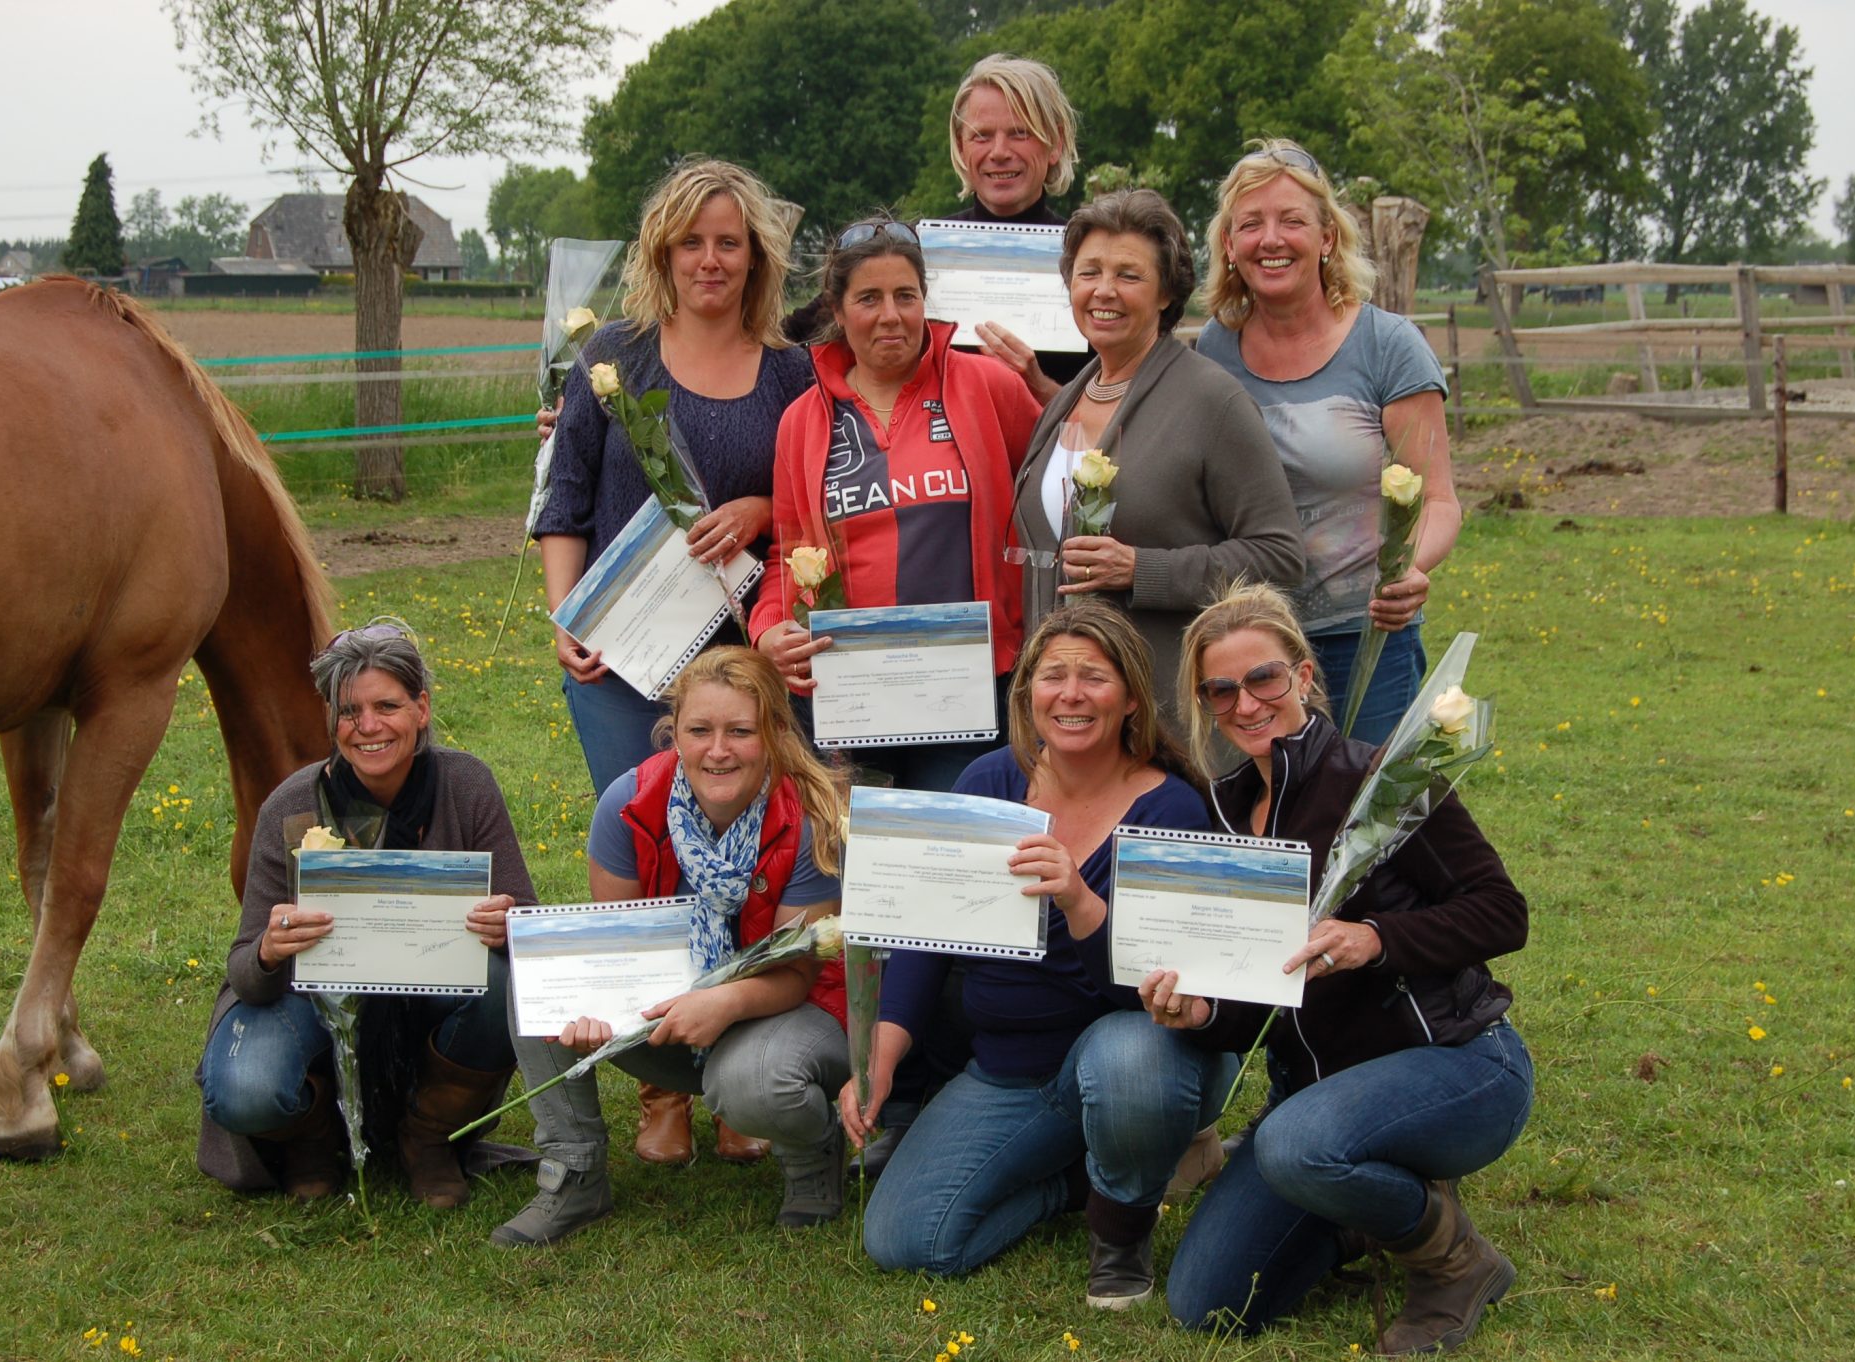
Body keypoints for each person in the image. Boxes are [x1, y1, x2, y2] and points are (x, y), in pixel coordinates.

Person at [1150, 582, 1531, 1354]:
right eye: (1220, 690)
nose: (1246, 704)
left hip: (1454, 1065)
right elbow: (1263, 990)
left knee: (1296, 1146)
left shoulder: (1383, 782)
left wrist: (1376, 938)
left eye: (1263, 678)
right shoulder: (1223, 813)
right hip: (1313, 1097)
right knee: (1207, 1304)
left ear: (1303, 675)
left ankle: (1454, 1261)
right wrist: (1202, 1013)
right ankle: (1361, 1212)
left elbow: (1502, 912)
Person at [532, 158, 809, 1167]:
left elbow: (814, 493)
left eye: (729, 242)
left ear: (756, 257)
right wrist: (563, 611)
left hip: (745, 665)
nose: (710, 259)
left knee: (747, 861)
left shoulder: (790, 370)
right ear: (662, 252)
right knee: (654, 860)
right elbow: (564, 496)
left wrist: (763, 509)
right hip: (624, 665)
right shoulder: (613, 356)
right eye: (691, 242)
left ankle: (734, 1073)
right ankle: (660, 1087)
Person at [844, 601, 1234, 1310]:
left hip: (1134, 1057)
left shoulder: (1169, 809)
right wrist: (880, 1058)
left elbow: (1156, 995)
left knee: (1128, 1057)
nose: (1071, 694)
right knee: (905, 1241)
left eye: (1094, 677)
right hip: (1009, 1070)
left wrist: (1080, 901)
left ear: (1131, 699)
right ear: (1027, 694)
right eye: (1053, 676)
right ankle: (1077, 1182)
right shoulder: (988, 782)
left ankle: (1122, 1226)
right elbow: (926, 944)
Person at [495, 647, 853, 1245]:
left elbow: (796, 973)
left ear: (773, 732)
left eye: (741, 731)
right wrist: (595, 1010)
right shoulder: (629, 804)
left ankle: (813, 1151)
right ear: (674, 733)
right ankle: (575, 1172)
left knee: (754, 1083)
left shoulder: (809, 817)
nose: (718, 750)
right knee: (534, 975)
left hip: (789, 1010)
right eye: (700, 730)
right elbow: (614, 951)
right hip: (666, 1017)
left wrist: (721, 1002)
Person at [197, 621, 529, 1211]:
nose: (368, 726)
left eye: (387, 706)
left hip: (434, 988)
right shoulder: (291, 806)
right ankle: (313, 1137)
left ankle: (427, 1137)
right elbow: (246, 973)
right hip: (310, 1000)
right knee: (246, 1088)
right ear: (331, 719)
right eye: (349, 711)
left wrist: (509, 926)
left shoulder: (466, 785)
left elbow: (530, 926)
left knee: (507, 985)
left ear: (421, 708)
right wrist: (270, 949)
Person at [752, 214, 1041, 795]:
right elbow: (787, 553)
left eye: (905, 296)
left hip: (969, 690)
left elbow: (1052, 498)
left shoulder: (988, 387)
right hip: (852, 693)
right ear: (838, 311)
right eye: (869, 298)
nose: (891, 315)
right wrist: (767, 630)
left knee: (950, 838)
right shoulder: (802, 421)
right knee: (858, 845)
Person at [1198, 139, 1460, 744]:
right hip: (1255, 645)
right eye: (1251, 224)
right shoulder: (1214, 347)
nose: (1271, 239)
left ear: (1326, 238)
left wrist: (1409, 570)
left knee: (1367, 800)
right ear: (1230, 246)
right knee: (1269, 801)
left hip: (1365, 637)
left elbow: (1440, 500)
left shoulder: (1388, 345)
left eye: (1292, 220)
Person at [1010, 189, 1305, 722]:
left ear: (1166, 292)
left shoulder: (1212, 400)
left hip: (1166, 709)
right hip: (1073, 715)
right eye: (1089, 272)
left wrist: (1142, 569)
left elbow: (1279, 557)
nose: (1104, 290)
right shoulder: (1068, 399)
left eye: (1129, 275)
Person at [786, 54, 1088, 397]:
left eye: (1020, 133)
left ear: (1055, 143)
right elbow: (792, 335)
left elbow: (1120, 403)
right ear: (960, 144)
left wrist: (1042, 388)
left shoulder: (1091, 258)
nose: (999, 152)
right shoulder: (915, 249)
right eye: (981, 135)